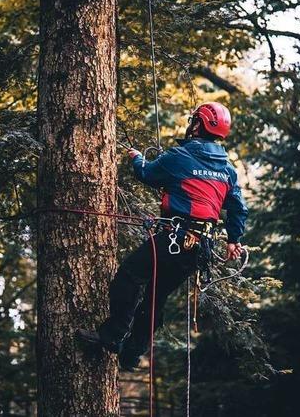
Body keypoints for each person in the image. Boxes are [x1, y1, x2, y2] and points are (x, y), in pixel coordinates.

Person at [77, 102, 248, 371]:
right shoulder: (227, 169)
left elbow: (147, 173)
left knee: (130, 275)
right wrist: (234, 239)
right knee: (157, 296)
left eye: (194, 121)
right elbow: (238, 208)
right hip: (198, 249)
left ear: (198, 125)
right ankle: (132, 353)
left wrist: (136, 158)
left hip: (173, 239)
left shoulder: (180, 156)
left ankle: (112, 336)